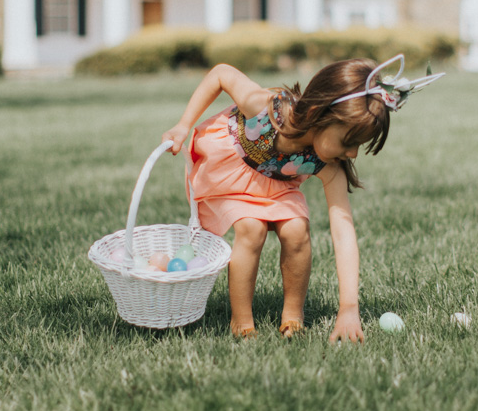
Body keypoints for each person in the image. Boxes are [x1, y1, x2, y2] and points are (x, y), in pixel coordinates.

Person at [162, 55, 443, 343]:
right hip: (232, 173)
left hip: (276, 188)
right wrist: (184, 124)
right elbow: (221, 72)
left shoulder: (329, 166)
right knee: (251, 227)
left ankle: (293, 317)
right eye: (348, 142)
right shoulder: (265, 108)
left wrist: (348, 307)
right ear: (321, 114)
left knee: (297, 228)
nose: (353, 154)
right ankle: (241, 321)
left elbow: (343, 231)